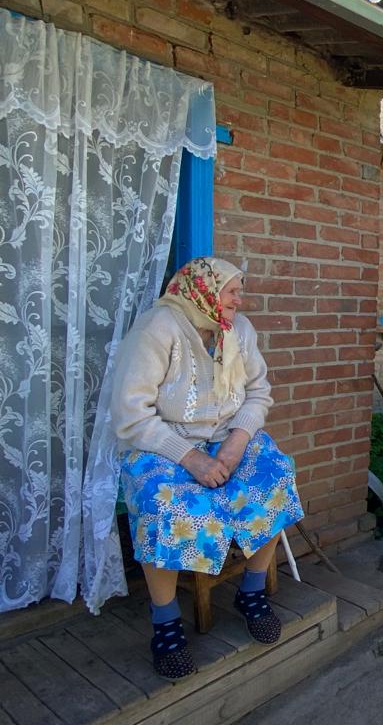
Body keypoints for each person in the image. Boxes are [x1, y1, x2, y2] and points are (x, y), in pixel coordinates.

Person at [110, 257, 304, 680]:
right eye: (232, 290)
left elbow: (258, 392)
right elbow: (130, 415)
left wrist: (235, 445)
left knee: (273, 478)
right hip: (163, 445)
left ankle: (251, 594)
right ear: (203, 290)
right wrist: (190, 456)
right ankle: (165, 623)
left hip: (227, 439)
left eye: (240, 290)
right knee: (165, 506)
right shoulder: (158, 328)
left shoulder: (240, 330)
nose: (241, 298)